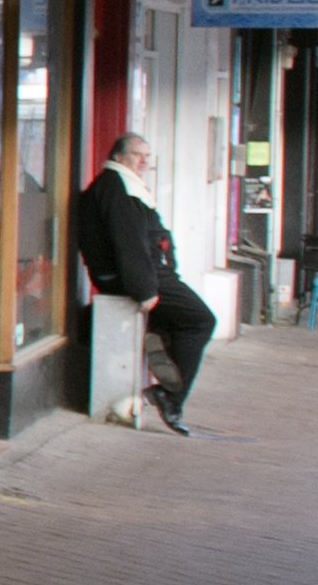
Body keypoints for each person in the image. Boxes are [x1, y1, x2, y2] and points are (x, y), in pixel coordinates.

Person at [73, 131, 213, 430]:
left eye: (148, 157)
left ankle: (164, 378)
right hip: (140, 277)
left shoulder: (119, 186)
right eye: (139, 155)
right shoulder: (118, 189)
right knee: (200, 320)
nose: (144, 162)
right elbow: (129, 243)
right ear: (119, 156)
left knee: (174, 325)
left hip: (146, 274)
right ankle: (169, 396)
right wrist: (145, 290)